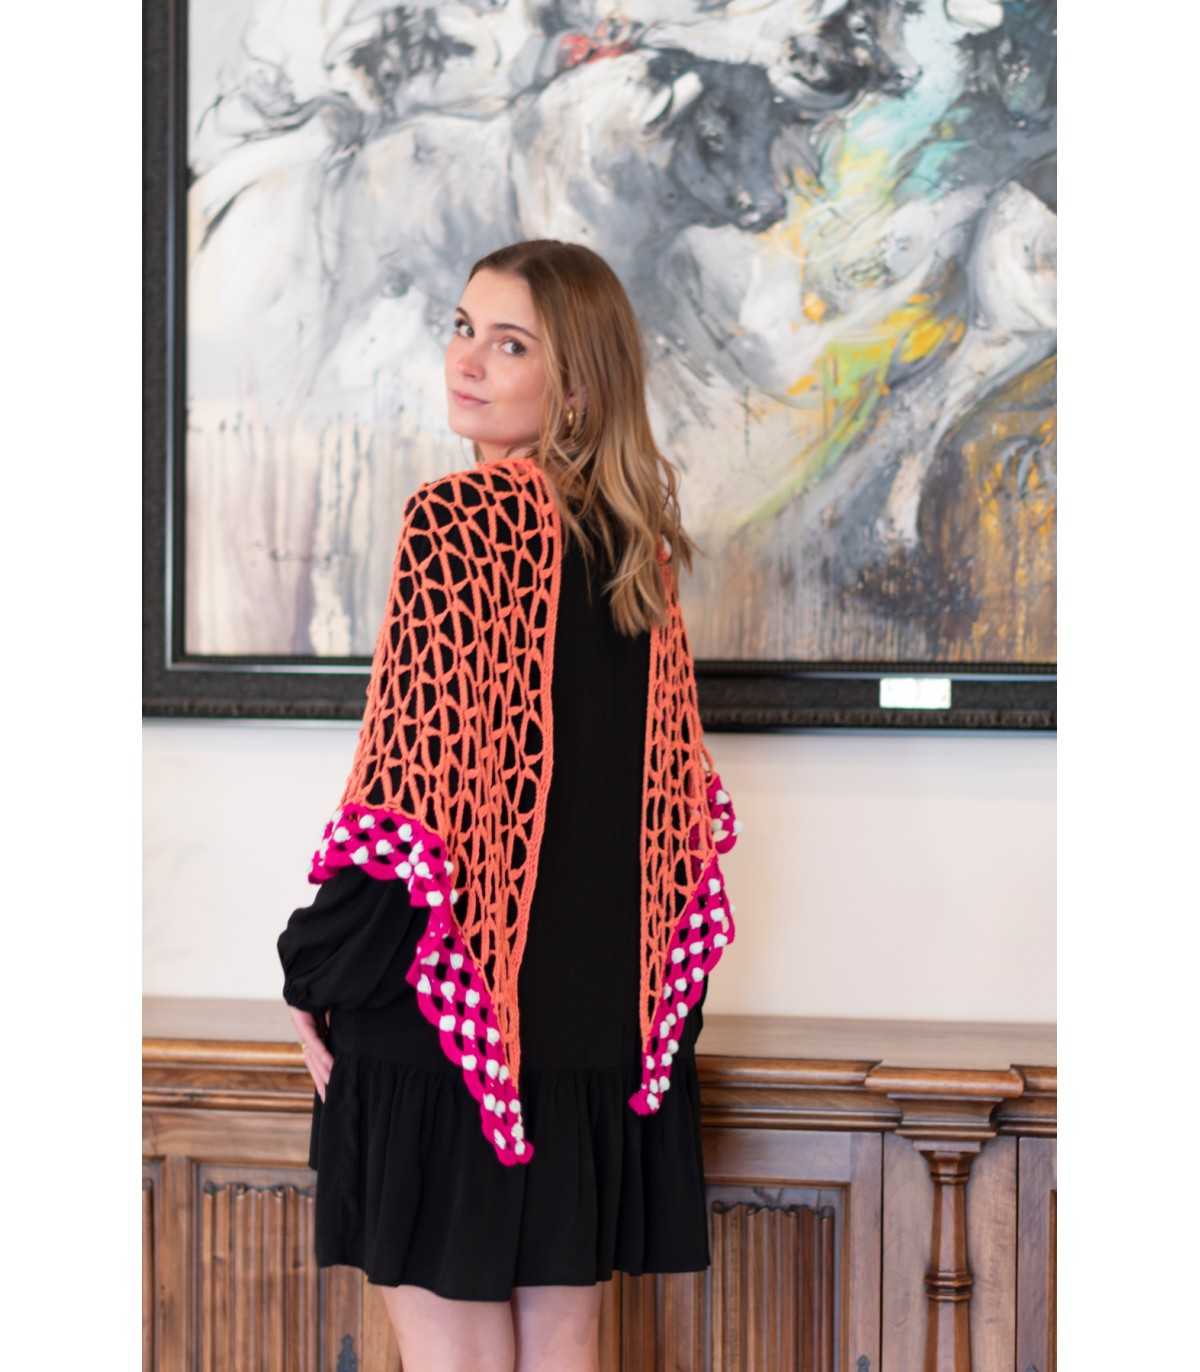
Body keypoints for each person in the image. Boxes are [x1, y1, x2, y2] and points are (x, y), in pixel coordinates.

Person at [276, 239, 740, 1371]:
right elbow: (665, 830)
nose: (468, 361)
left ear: (575, 387)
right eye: (462, 328)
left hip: (450, 1031)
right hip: (591, 1041)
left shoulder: (459, 520)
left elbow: (412, 800)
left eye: (511, 343)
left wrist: (315, 972)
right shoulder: (638, 555)